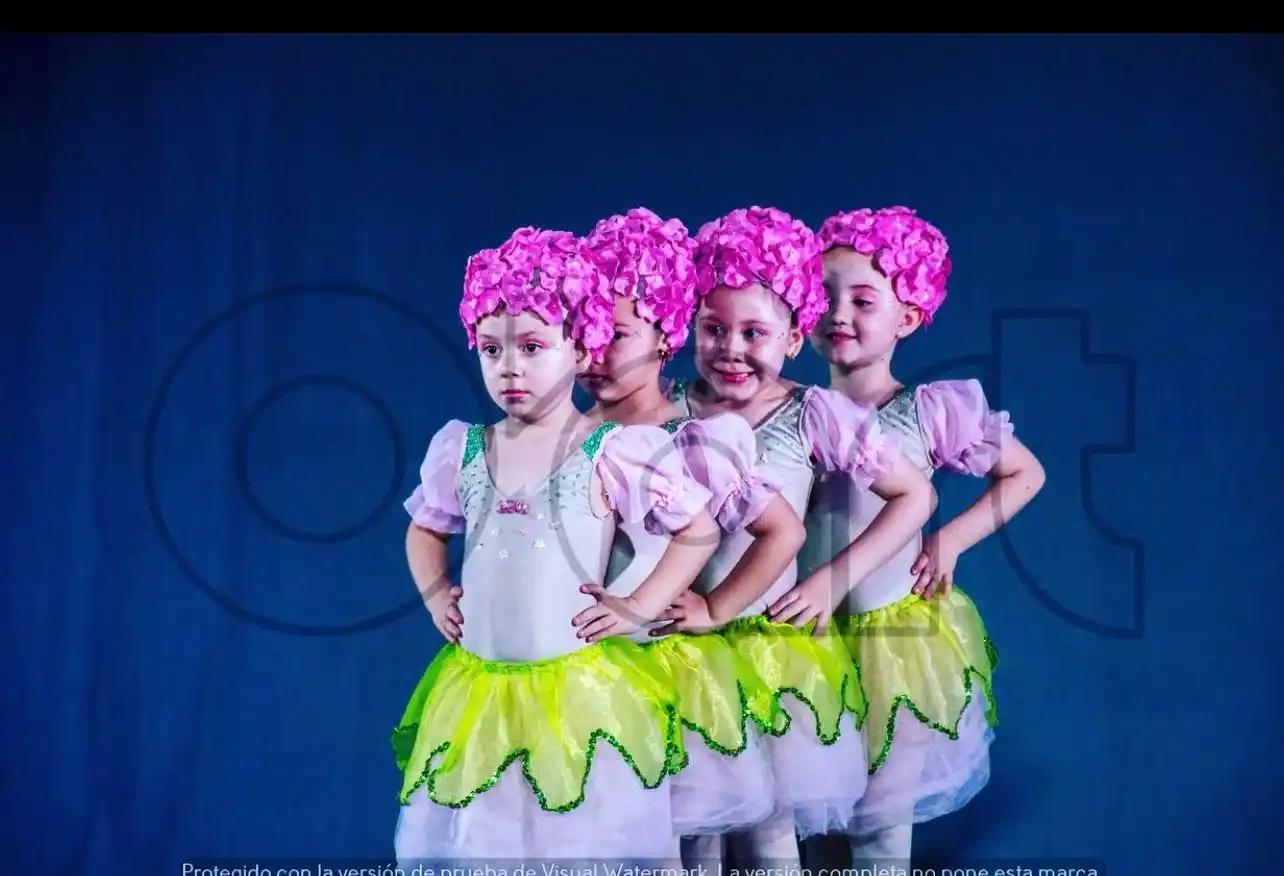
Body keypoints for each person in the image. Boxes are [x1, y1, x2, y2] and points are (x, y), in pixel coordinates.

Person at [390, 226, 720, 864]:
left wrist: (638, 604)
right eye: (491, 349)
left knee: (576, 841)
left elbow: (697, 529)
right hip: (480, 693)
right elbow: (424, 526)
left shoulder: (610, 450)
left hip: (576, 696)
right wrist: (435, 593)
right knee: (490, 842)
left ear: (580, 345)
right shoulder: (463, 447)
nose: (509, 366)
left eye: (533, 346)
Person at [665, 206, 937, 863]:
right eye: (713, 329)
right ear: (687, 329)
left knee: (769, 827)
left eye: (754, 332)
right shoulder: (668, 408)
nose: (731, 349)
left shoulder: (813, 412)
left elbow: (914, 494)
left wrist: (829, 580)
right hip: (682, 651)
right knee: (692, 826)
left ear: (793, 336)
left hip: (772, 654)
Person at [799, 205, 1046, 870]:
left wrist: (952, 541)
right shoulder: (788, 411)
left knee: (880, 830)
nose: (838, 312)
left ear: (907, 316)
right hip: (802, 641)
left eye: (863, 299)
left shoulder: (926, 408)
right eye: (823, 295)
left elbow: (1026, 473)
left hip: (894, 648)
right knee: (791, 823)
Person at [579, 207, 805, 863]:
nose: (595, 351)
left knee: (721, 826)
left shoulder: (694, 429)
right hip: (595, 666)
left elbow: (778, 529)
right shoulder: (565, 434)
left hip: (679, 657)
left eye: (613, 334)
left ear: (664, 334)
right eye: (582, 332)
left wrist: (717, 606)